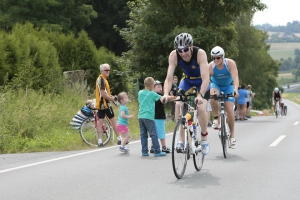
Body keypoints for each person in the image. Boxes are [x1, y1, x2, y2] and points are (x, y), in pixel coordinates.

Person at [162, 33, 210, 155]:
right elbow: (168, 78)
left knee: (200, 107)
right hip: (187, 80)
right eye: (180, 51)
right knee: (178, 104)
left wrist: (200, 95)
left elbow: (206, 78)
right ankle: (182, 140)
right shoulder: (174, 55)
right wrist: (166, 94)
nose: (183, 53)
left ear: (191, 47)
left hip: (201, 81)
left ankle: (204, 137)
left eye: (185, 50)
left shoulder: (200, 54)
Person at [209, 46, 239, 149]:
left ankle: (232, 136)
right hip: (216, 85)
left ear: (223, 57)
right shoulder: (210, 66)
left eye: (218, 58)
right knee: (212, 95)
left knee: (229, 110)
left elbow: (235, 78)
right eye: (213, 58)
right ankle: (216, 118)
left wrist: (235, 90)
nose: (216, 60)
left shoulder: (230, 63)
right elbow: (204, 79)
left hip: (228, 87)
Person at [95, 63, 123, 147]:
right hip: (105, 104)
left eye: (109, 70)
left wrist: (112, 98)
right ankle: (119, 139)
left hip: (100, 104)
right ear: (101, 71)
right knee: (113, 120)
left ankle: (100, 141)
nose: (108, 72)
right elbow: (103, 94)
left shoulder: (101, 79)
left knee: (100, 122)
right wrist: (114, 99)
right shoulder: (102, 80)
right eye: (106, 70)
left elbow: (105, 93)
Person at [138, 77, 166, 157]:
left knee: (143, 134)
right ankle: (157, 151)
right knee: (154, 134)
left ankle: (144, 151)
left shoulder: (140, 92)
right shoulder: (152, 94)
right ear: (151, 85)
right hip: (149, 117)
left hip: (140, 116)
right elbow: (161, 98)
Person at [149, 80, 175, 154]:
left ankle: (153, 147)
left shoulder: (152, 95)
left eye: (161, 87)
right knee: (161, 132)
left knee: (154, 133)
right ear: (153, 88)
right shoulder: (157, 95)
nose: (160, 88)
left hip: (153, 117)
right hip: (158, 117)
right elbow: (165, 99)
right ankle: (164, 147)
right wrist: (175, 97)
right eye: (158, 87)